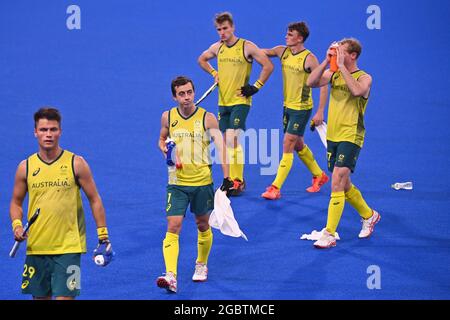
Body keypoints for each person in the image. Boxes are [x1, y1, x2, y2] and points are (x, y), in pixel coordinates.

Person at [9, 107, 113, 299]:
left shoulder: (76, 163)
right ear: (35, 132)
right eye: (43, 130)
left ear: (60, 131)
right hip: (37, 248)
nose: (48, 134)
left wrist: (103, 235)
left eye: (53, 129)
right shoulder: (26, 167)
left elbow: (94, 199)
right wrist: (16, 225)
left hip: (68, 248)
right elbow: (16, 202)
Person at [156, 76, 233, 293]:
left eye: (189, 92)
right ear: (174, 96)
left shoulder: (207, 118)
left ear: (194, 92)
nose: (187, 97)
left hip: (202, 183)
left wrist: (227, 179)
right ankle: (170, 275)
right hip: (176, 183)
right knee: (173, 226)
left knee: (202, 224)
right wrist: (164, 148)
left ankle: (201, 264)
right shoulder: (167, 117)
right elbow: (161, 139)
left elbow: (221, 148)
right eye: (182, 93)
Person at [306, 38, 380, 248]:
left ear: (353, 55)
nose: (338, 55)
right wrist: (325, 60)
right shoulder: (334, 74)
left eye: (342, 52)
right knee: (343, 183)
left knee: (336, 180)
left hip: (351, 135)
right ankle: (369, 215)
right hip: (333, 135)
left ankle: (329, 233)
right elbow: (311, 82)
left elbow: (357, 91)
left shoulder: (364, 77)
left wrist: (340, 66)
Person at [198, 11, 274, 195]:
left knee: (232, 138)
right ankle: (232, 179)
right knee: (226, 141)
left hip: (241, 101)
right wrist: (214, 73)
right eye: (219, 29)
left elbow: (268, 65)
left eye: (225, 28)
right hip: (223, 102)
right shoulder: (217, 48)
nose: (222, 32)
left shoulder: (246, 46)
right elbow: (202, 59)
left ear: (232, 28)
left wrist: (255, 87)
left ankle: (237, 181)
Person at [260, 21, 329, 200]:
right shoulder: (282, 51)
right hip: (287, 106)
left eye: (290, 34)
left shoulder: (309, 59)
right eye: (287, 33)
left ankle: (275, 187)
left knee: (288, 143)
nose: (286, 36)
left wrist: (320, 111)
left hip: (302, 108)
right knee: (298, 143)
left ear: (300, 38)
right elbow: (260, 52)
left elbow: (323, 85)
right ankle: (319, 175)